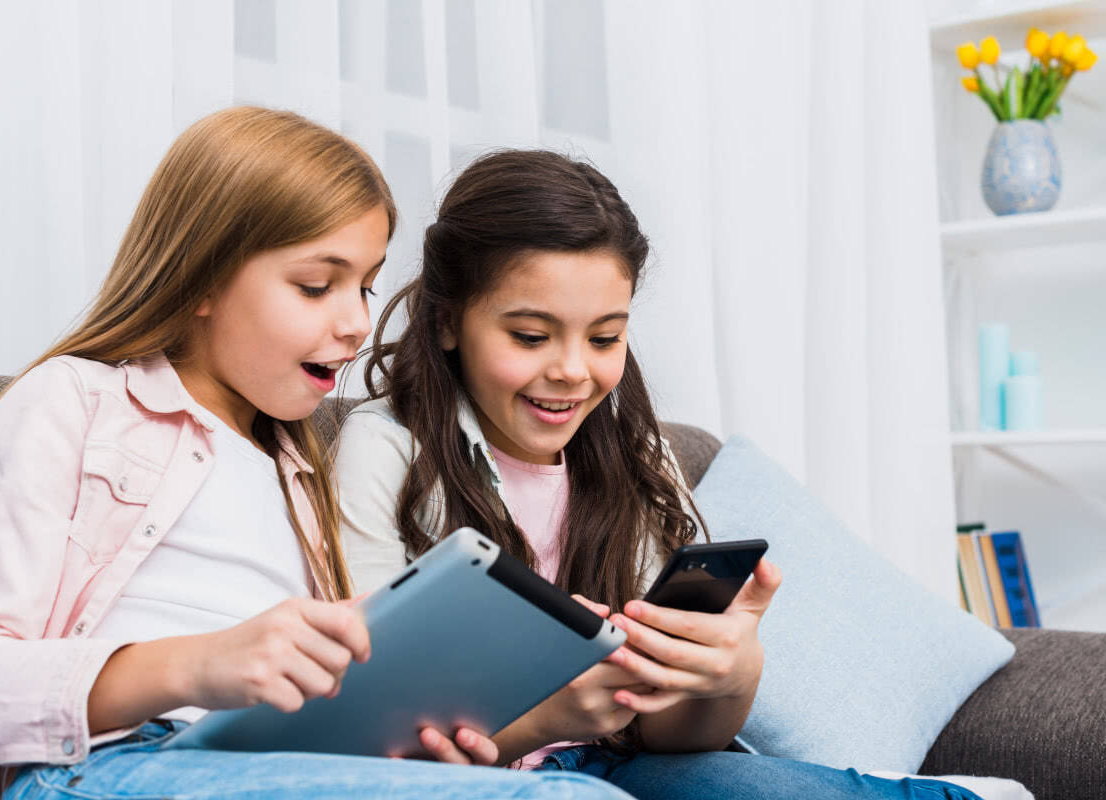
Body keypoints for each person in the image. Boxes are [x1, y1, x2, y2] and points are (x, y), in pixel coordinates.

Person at [0, 109, 633, 800]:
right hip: (100, 769)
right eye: (317, 286)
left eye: (366, 286)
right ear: (203, 279)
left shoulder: (299, 471)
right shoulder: (77, 403)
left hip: (262, 766)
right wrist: (197, 665)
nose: (355, 322)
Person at [333, 149, 988, 800]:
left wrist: (730, 673)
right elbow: (372, 740)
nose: (572, 371)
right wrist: (547, 717)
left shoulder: (636, 456)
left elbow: (671, 740)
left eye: (603, 337)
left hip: (630, 767)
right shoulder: (386, 451)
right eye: (531, 336)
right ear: (448, 321)